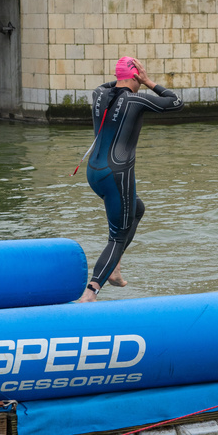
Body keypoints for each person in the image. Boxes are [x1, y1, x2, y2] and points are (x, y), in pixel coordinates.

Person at [78, 57, 184, 303]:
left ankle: (114, 268)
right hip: (118, 176)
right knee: (117, 236)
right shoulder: (138, 99)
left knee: (137, 209)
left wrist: (125, 78)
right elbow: (176, 102)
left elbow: (110, 86)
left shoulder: (98, 94)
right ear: (136, 76)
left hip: (93, 173)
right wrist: (147, 82)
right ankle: (90, 292)